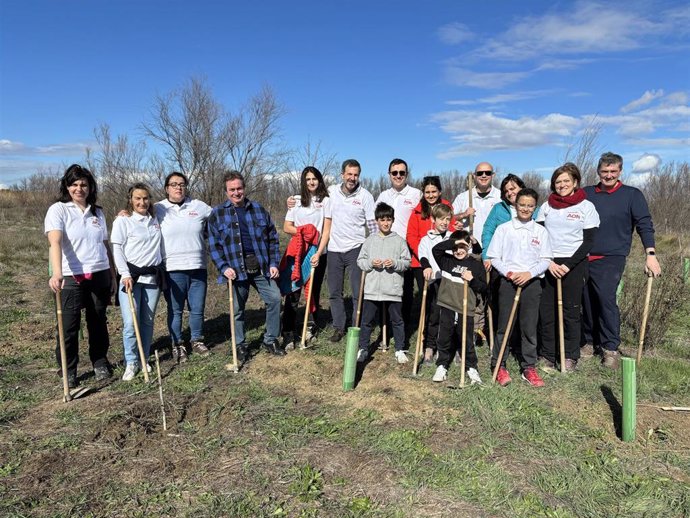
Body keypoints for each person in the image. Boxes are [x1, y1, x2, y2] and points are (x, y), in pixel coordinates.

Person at [582, 152, 661, 369]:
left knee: (606, 299)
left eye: (613, 171)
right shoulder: (586, 193)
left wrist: (650, 254)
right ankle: (589, 342)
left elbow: (644, 224)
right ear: (598, 171)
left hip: (612, 256)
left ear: (620, 171)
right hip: (583, 256)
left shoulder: (632, 195)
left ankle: (610, 347)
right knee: (586, 301)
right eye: (604, 171)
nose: (608, 175)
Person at [45, 164, 116, 387]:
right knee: (68, 326)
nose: (79, 188)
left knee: (97, 321)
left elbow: (105, 245)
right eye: (74, 184)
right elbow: (54, 242)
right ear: (67, 187)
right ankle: (69, 368)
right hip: (70, 277)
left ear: (90, 187)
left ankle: (99, 361)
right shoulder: (58, 210)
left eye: (83, 184)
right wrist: (57, 273)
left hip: (99, 273)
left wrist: (113, 275)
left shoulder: (98, 212)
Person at [208, 171, 285, 362]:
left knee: (275, 299)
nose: (236, 192)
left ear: (244, 188)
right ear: (226, 191)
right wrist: (223, 267)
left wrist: (274, 263)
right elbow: (213, 245)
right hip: (235, 269)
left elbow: (273, 239)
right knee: (237, 309)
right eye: (232, 189)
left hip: (260, 266)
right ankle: (240, 344)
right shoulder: (217, 214)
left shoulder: (258, 209)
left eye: (239, 188)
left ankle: (271, 339)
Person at [536, 163, 599, 372]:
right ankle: (547, 354)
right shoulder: (547, 206)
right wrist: (549, 262)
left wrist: (568, 265)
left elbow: (588, 241)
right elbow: (539, 236)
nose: (561, 185)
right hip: (549, 262)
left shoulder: (586, 207)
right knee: (547, 311)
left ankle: (570, 355)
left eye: (566, 181)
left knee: (570, 312)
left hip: (574, 264)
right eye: (558, 181)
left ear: (575, 183)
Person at [487, 188, 552, 387]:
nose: (525, 208)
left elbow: (546, 260)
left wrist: (529, 274)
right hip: (508, 281)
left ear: (535, 207)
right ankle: (499, 365)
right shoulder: (504, 229)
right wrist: (509, 273)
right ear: (515, 206)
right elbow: (494, 257)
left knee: (529, 326)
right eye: (522, 204)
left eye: (530, 206)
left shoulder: (540, 231)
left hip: (531, 283)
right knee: (505, 325)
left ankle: (528, 367)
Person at [155, 172, 213, 363]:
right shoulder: (158, 208)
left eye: (181, 184)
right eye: (173, 184)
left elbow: (219, 217)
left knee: (197, 308)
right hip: (172, 269)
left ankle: (196, 340)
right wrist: (125, 212)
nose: (178, 187)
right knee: (176, 309)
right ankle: (177, 344)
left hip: (198, 267)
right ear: (166, 188)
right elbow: (136, 213)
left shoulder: (199, 206)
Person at [111, 183, 164, 381]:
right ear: (131, 200)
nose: (142, 202)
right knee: (130, 323)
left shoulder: (156, 219)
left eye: (145, 198)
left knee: (147, 321)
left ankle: (145, 358)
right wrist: (124, 274)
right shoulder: (123, 221)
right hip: (131, 279)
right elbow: (117, 249)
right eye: (137, 198)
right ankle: (131, 361)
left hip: (152, 279)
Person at [325, 159, 377, 342]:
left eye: (355, 175)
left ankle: (356, 326)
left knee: (357, 292)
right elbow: (312, 198)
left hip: (356, 248)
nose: (352, 178)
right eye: (349, 174)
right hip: (334, 249)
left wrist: (374, 246)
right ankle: (339, 327)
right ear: (342, 175)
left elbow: (372, 225)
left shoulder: (365, 196)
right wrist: (293, 200)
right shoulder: (331, 192)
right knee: (334, 292)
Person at [281, 166, 332, 348]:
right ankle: (287, 332)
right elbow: (287, 227)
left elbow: (326, 230)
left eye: (314, 178)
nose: (311, 182)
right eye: (308, 179)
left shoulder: (326, 201)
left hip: (317, 253)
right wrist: (304, 233)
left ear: (319, 180)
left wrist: (318, 252)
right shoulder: (295, 200)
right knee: (293, 291)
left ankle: (310, 327)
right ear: (304, 181)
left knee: (313, 293)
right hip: (298, 252)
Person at [355, 203, 411, 363]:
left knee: (397, 320)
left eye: (388, 220)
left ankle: (400, 349)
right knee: (366, 321)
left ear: (393, 221)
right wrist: (372, 263)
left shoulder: (399, 241)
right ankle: (363, 348)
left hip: (392, 289)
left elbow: (406, 262)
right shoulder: (370, 240)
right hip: (372, 289)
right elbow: (361, 261)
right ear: (377, 221)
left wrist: (394, 263)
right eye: (382, 220)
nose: (385, 223)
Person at [431, 230, 487, 383]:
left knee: (467, 339)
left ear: (469, 246)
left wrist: (472, 280)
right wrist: (454, 242)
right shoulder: (446, 261)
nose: (459, 250)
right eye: (456, 247)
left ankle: (471, 367)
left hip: (466, 308)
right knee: (444, 337)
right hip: (447, 304)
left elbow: (484, 288)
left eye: (463, 246)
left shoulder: (475, 265)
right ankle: (442, 364)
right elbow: (436, 249)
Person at [375, 159, 422, 326]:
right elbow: (376, 223)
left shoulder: (416, 194)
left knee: (406, 288)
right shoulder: (383, 196)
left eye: (402, 172)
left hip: (406, 247)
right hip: (386, 246)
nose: (398, 176)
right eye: (394, 173)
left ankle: (404, 323)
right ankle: (386, 323)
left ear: (406, 174)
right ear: (389, 175)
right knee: (388, 286)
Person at [416, 203, 453, 363]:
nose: (444, 222)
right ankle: (430, 347)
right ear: (433, 219)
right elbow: (423, 255)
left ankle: (448, 347)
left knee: (450, 316)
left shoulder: (453, 237)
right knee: (434, 316)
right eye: (441, 219)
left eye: (447, 219)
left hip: (450, 282)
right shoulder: (426, 239)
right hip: (435, 281)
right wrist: (426, 267)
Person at [452, 162, 502, 248]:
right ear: (474, 176)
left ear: (493, 175)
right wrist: (464, 215)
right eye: (480, 173)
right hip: (469, 250)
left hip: (494, 249)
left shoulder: (501, 197)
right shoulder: (462, 197)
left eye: (488, 173)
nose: (483, 175)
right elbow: (449, 218)